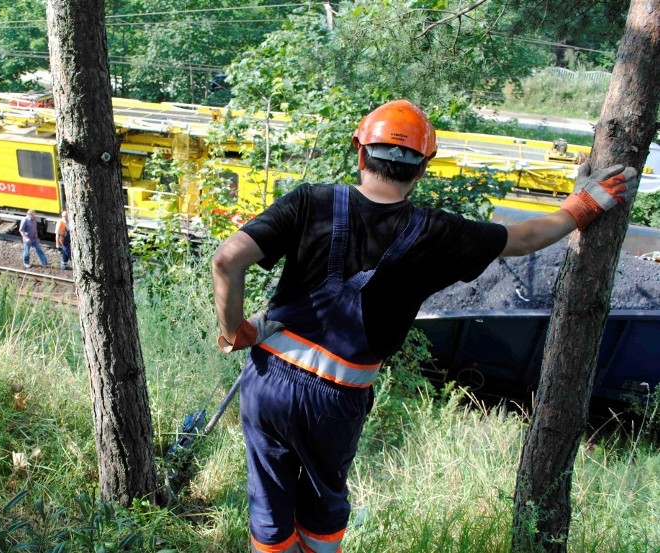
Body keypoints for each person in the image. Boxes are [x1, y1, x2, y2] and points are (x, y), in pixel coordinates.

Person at [211, 99, 638, 553]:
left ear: (360, 154)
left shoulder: (309, 201)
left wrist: (236, 329)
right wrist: (584, 204)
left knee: (269, 499)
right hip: (335, 396)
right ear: (422, 168)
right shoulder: (437, 232)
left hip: (266, 382)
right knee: (322, 506)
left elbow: (226, 259)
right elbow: (526, 238)